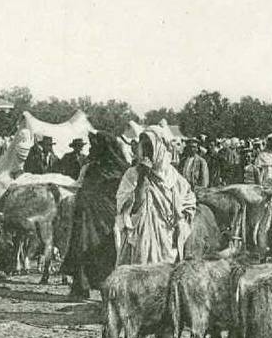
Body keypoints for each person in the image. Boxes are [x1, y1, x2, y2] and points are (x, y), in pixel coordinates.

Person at [115, 125, 196, 267]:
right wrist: (142, 179)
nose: (146, 152)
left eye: (150, 147)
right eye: (144, 147)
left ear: (159, 148)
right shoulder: (132, 174)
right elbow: (129, 209)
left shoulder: (174, 177)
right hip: (142, 238)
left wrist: (181, 220)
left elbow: (189, 203)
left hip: (167, 239)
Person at [62, 132, 129, 299]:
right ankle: (81, 287)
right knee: (83, 249)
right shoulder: (92, 167)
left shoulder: (119, 170)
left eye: (94, 146)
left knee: (103, 251)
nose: (91, 150)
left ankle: (103, 288)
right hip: (86, 218)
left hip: (105, 221)